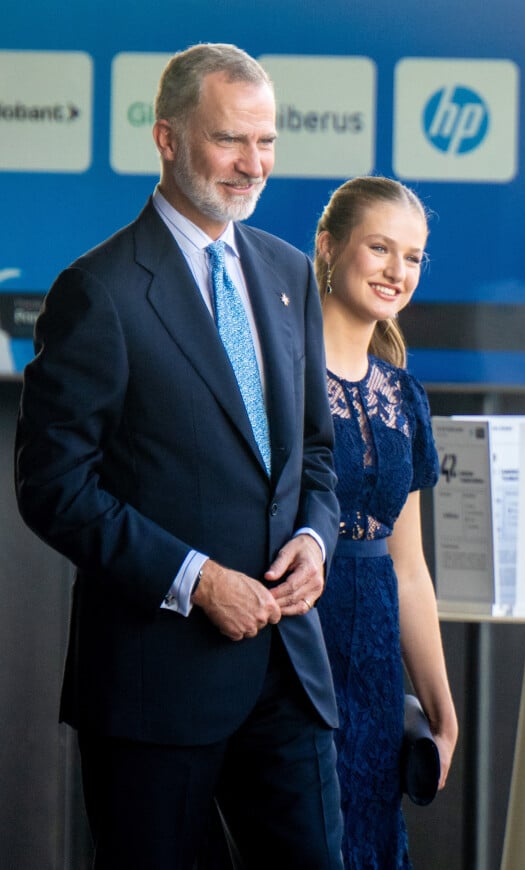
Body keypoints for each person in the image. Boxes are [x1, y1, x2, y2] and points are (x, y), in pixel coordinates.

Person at [14, 43, 344, 870]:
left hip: (289, 676)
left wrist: (316, 539)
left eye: (267, 142)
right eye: (231, 140)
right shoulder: (99, 291)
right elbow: (53, 486)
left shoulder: (289, 271)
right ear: (166, 138)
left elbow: (313, 454)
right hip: (154, 694)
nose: (253, 164)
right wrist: (196, 578)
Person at [313, 176, 459, 869]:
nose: (398, 271)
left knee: (368, 845)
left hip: (373, 663)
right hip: (289, 645)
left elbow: (409, 568)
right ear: (329, 247)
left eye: (414, 256)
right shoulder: (277, 376)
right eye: (380, 248)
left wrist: (441, 706)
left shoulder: (404, 396)